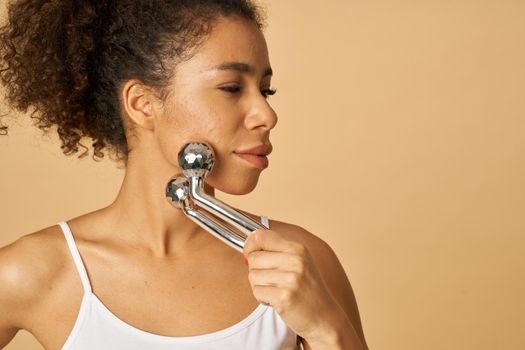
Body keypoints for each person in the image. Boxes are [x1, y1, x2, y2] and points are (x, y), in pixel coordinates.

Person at [0, 1, 368, 349]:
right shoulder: (37, 272)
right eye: (231, 88)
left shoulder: (303, 264)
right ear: (142, 104)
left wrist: (325, 328)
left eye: (265, 90)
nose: (266, 115)